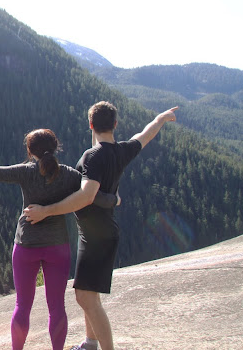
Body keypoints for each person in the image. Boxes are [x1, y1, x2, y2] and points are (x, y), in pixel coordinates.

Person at [0, 128, 120, 350]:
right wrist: (114, 199)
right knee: (57, 307)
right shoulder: (68, 174)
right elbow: (93, 195)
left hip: (26, 245)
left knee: (22, 306)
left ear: (30, 152)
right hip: (57, 247)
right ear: (55, 147)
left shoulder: (25, 172)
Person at [24, 102, 178, 350]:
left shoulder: (92, 157)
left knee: (85, 297)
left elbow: (87, 196)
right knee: (89, 293)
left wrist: (46, 211)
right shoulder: (122, 150)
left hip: (97, 235)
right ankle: (90, 344)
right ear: (115, 124)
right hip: (98, 232)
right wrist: (160, 119)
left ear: (90, 125)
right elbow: (144, 135)